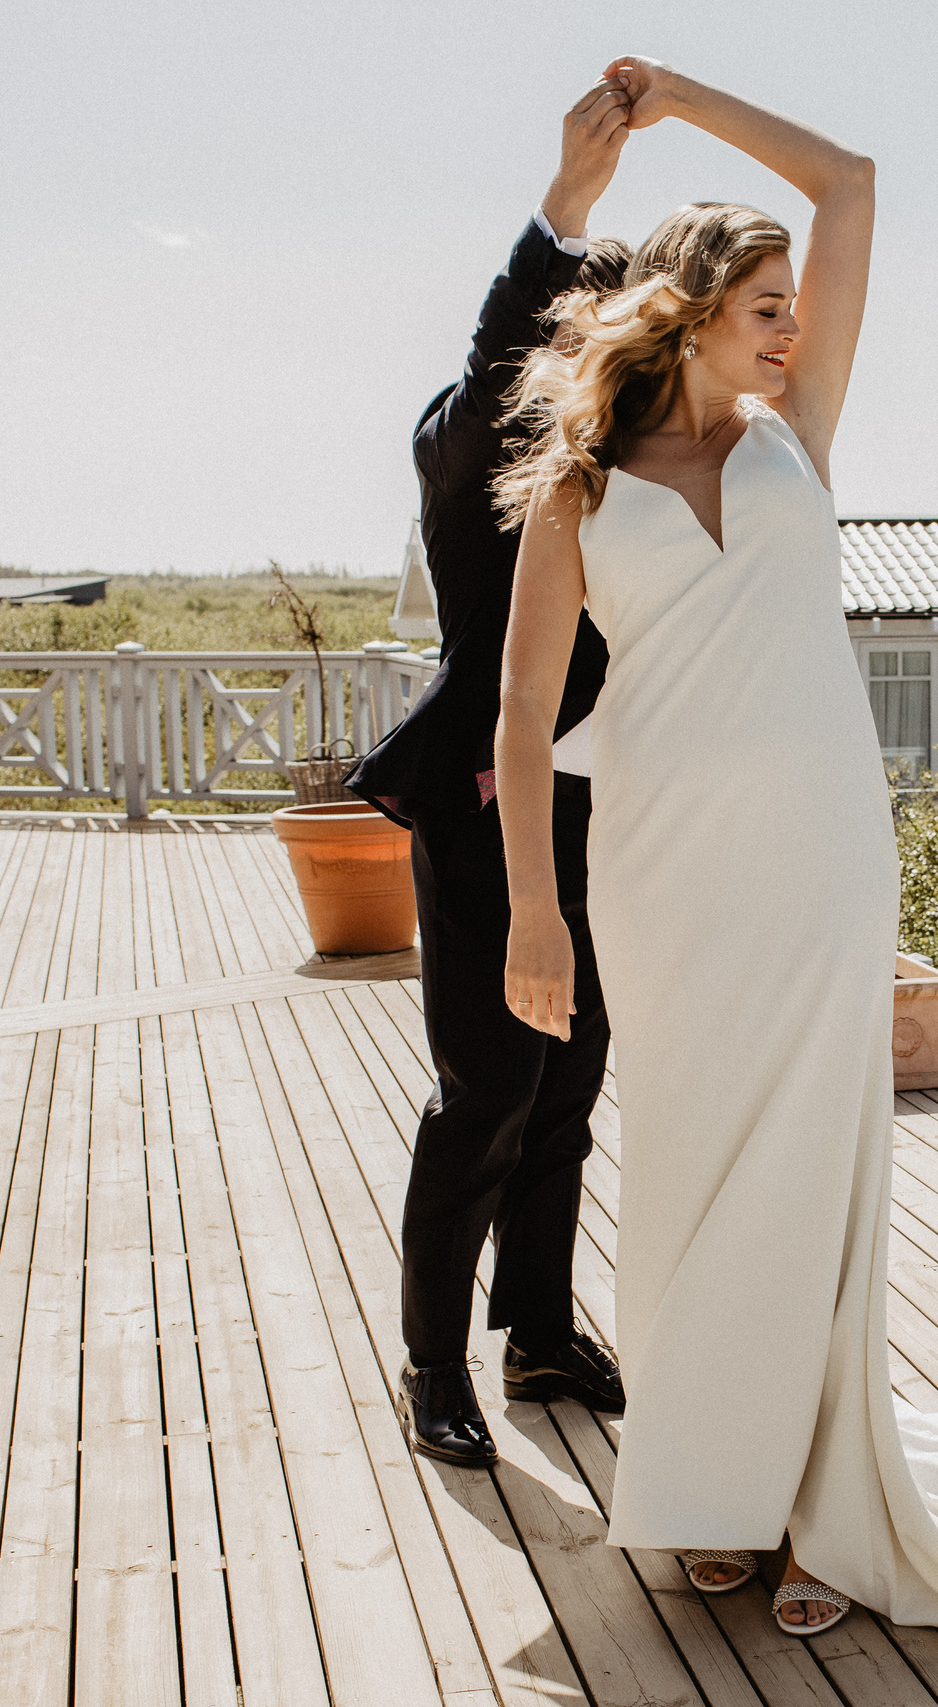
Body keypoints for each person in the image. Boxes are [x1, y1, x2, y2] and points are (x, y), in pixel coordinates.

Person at [490, 57, 938, 1642]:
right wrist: (536, 918)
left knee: (813, 1175)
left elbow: (850, 178)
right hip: (660, 860)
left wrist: (680, 104)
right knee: (694, 1170)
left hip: (818, 848)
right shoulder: (580, 489)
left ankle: (820, 1511)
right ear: (690, 310)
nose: (792, 327)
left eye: (794, 305)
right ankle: (713, 1488)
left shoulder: (804, 434)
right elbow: (522, 722)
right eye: (764, 305)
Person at [345, 78, 635, 1467]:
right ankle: (430, 1365)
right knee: (490, 1091)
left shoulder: (618, 463)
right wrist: (564, 210)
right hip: (481, 803)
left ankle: (537, 1333)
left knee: (571, 1079)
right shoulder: (476, 447)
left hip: (599, 807)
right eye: (582, 318)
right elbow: (498, 345)